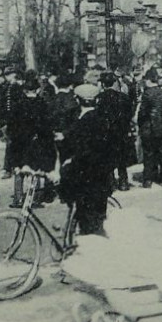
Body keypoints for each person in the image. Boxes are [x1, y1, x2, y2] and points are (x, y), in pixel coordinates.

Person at [58, 84, 115, 237]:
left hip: (87, 178)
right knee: (94, 217)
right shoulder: (101, 118)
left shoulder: (85, 121)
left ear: (78, 100)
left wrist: (70, 161)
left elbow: (85, 151)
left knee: (89, 222)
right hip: (100, 177)